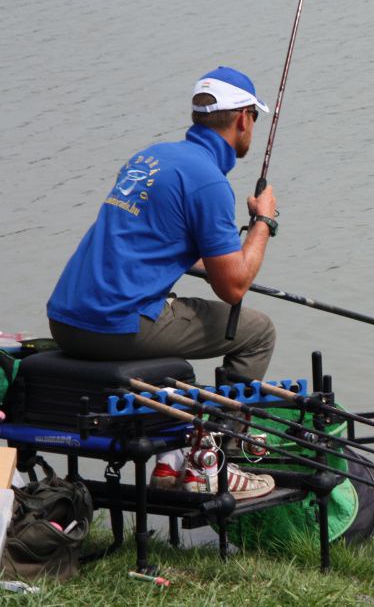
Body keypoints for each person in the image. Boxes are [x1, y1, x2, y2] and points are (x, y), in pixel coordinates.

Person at [46, 66, 280, 499]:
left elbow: (159, 242)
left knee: (183, 313)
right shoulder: (209, 181)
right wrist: (263, 220)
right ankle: (220, 460)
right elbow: (233, 287)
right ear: (244, 118)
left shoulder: (149, 158)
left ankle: (176, 454)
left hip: (66, 319)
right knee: (257, 331)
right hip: (114, 328)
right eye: (254, 120)